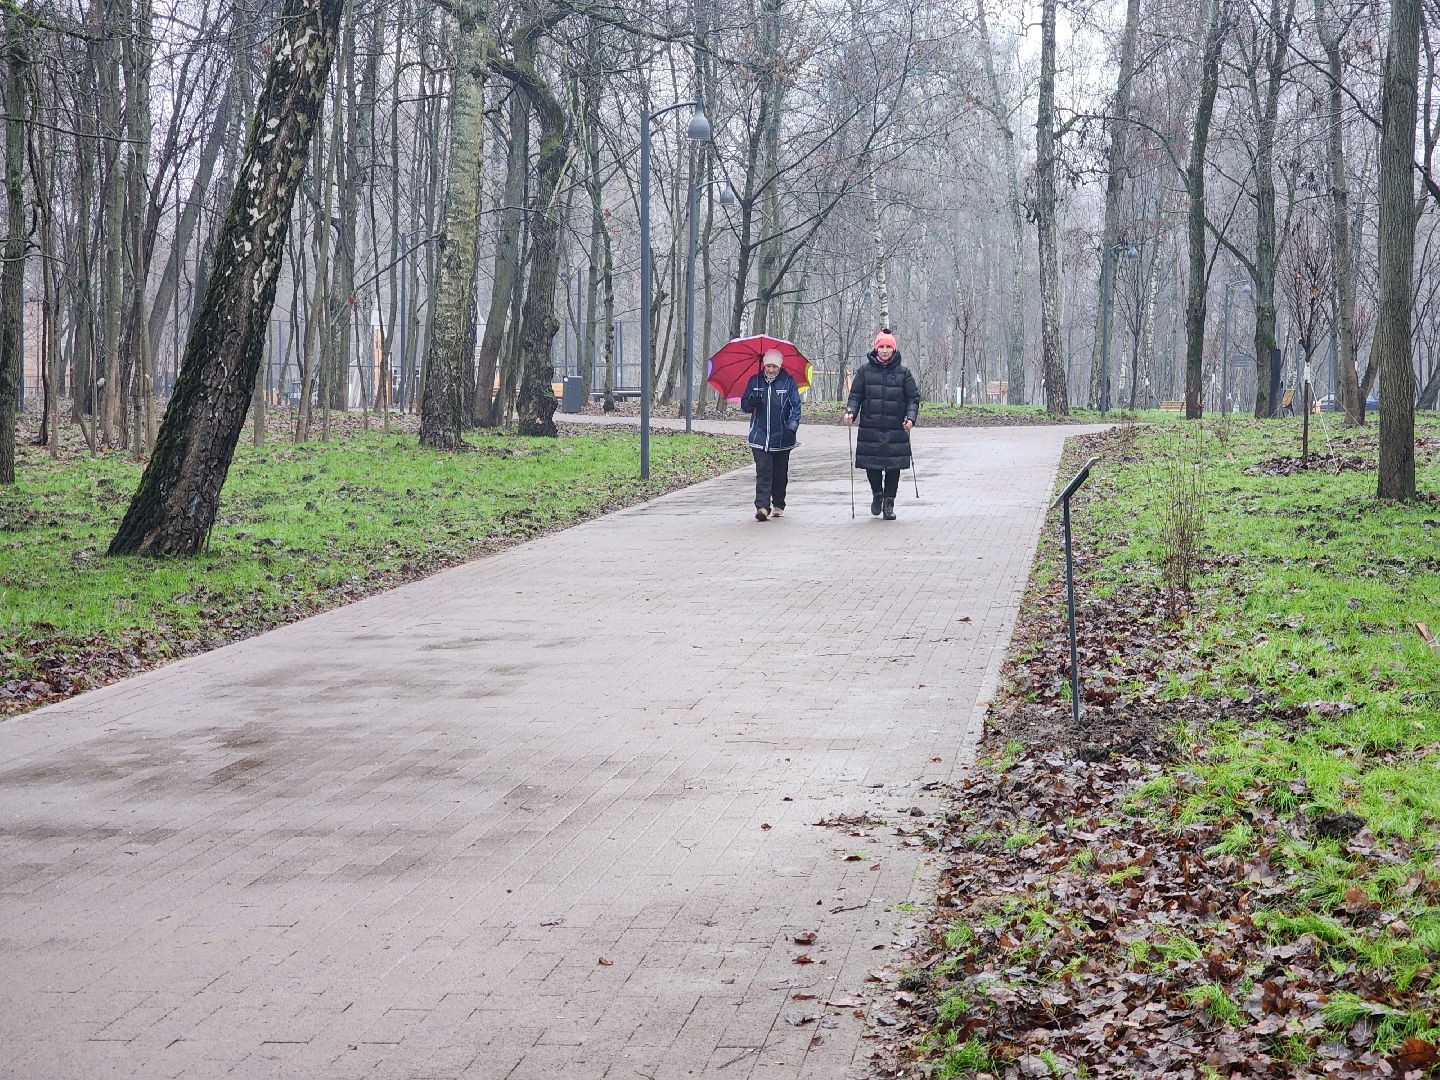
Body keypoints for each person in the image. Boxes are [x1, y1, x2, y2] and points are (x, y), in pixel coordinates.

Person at [844, 330, 919, 520]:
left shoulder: (904, 373)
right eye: (881, 347)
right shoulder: (864, 371)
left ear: (893, 349)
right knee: (873, 465)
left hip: (896, 427)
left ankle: (889, 502)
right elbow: (855, 396)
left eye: (888, 347)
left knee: (894, 468)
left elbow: (913, 398)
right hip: (871, 426)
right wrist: (851, 412)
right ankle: (877, 494)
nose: (884, 351)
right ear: (876, 348)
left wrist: (910, 418)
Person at [741, 349, 802, 521]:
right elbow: (744, 405)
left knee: (779, 473)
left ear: (779, 366)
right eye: (768, 365)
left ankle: (778, 504)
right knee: (763, 470)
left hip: (783, 437)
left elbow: (796, 407)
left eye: (774, 366)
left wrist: (792, 425)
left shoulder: (788, 382)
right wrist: (751, 403)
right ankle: (762, 507)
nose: (770, 369)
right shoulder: (755, 381)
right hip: (759, 437)